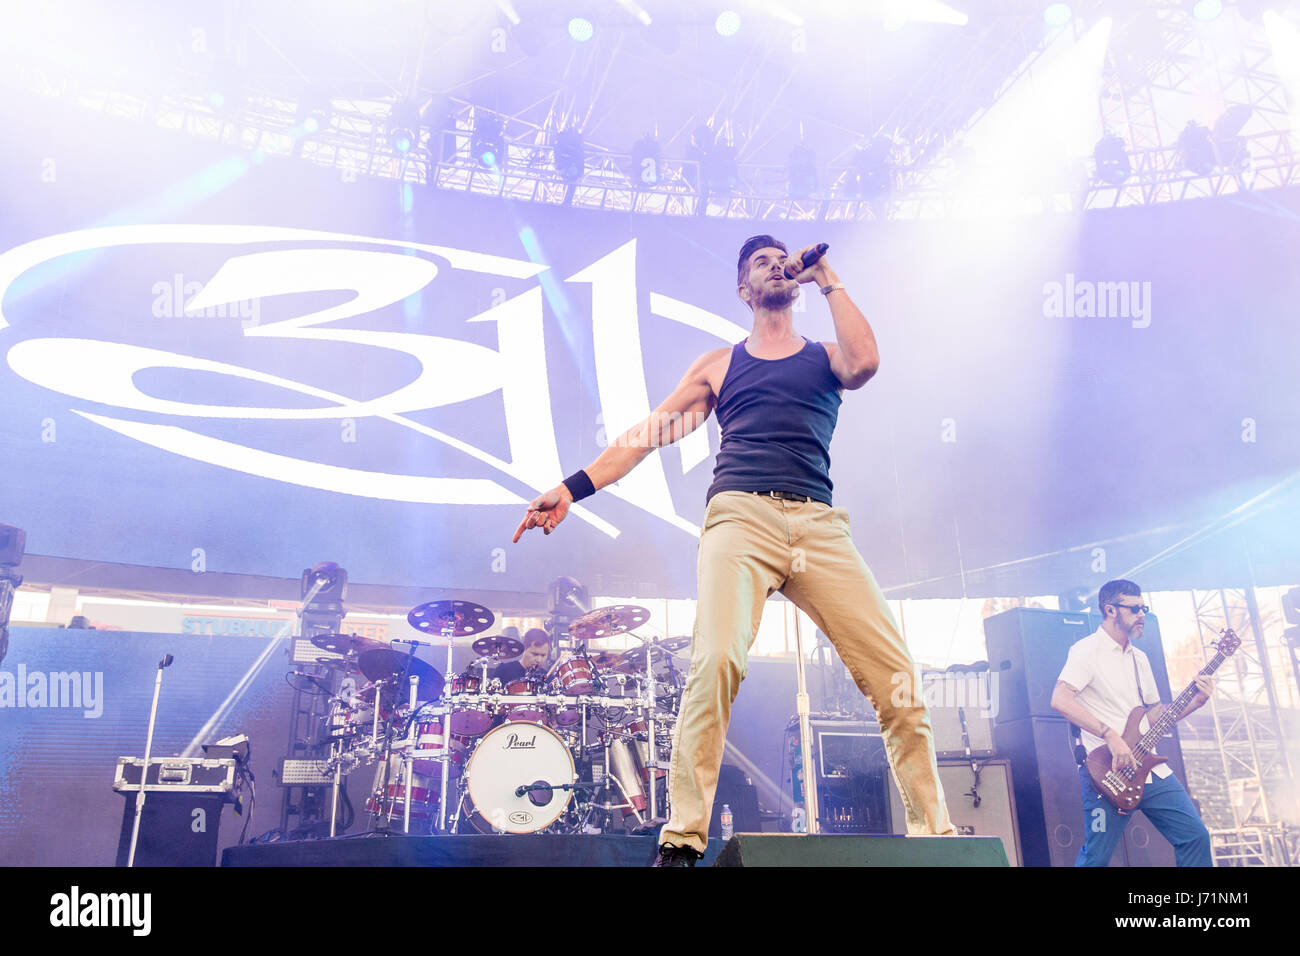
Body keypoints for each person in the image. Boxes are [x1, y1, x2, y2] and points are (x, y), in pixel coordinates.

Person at [514, 235, 953, 865]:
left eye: (782, 260)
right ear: (744, 290)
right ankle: (683, 838)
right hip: (740, 518)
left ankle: (934, 838)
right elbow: (643, 438)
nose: (775, 265)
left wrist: (828, 274)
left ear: (795, 280)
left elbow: (865, 364)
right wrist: (570, 489)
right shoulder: (721, 365)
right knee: (716, 661)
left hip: (818, 525)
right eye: (758, 264)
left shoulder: (826, 356)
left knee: (899, 679)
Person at [1051, 579, 1213, 867]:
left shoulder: (1140, 658)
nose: (1142, 615)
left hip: (1148, 768)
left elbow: (1152, 717)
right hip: (1107, 771)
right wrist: (1110, 735)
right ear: (1110, 610)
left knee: (1195, 836)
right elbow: (1060, 699)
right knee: (1096, 858)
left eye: (1144, 608)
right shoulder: (1086, 651)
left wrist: (1194, 703)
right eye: (1135, 609)